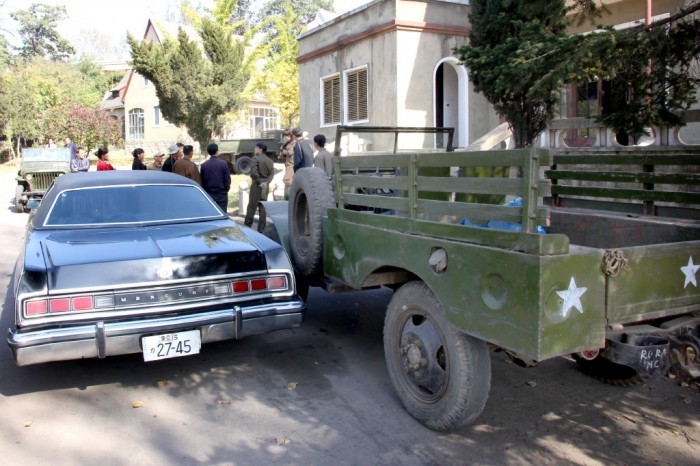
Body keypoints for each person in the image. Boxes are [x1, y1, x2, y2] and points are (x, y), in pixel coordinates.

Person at [244, 142, 274, 232]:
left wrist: (259, 182)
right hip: (265, 185)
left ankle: (247, 228)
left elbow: (254, 173)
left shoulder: (255, 158)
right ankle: (261, 229)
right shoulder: (270, 160)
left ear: (260, 149)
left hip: (257, 185)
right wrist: (266, 182)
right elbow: (272, 174)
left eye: (256, 148)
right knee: (263, 207)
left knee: (251, 207)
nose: (255, 149)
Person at [200, 143, 231, 213]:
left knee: (211, 213)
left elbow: (203, 180)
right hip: (221, 192)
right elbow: (227, 179)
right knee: (222, 213)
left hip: (209, 192)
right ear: (217, 151)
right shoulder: (223, 163)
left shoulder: (204, 165)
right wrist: (226, 189)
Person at [280, 130, 296, 199]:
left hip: (291, 164)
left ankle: (289, 196)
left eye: (287, 136)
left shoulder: (293, 142)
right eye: (285, 136)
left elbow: (290, 152)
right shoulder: (289, 142)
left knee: (287, 180)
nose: (286, 137)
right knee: (288, 181)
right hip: (288, 163)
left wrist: (283, 151)